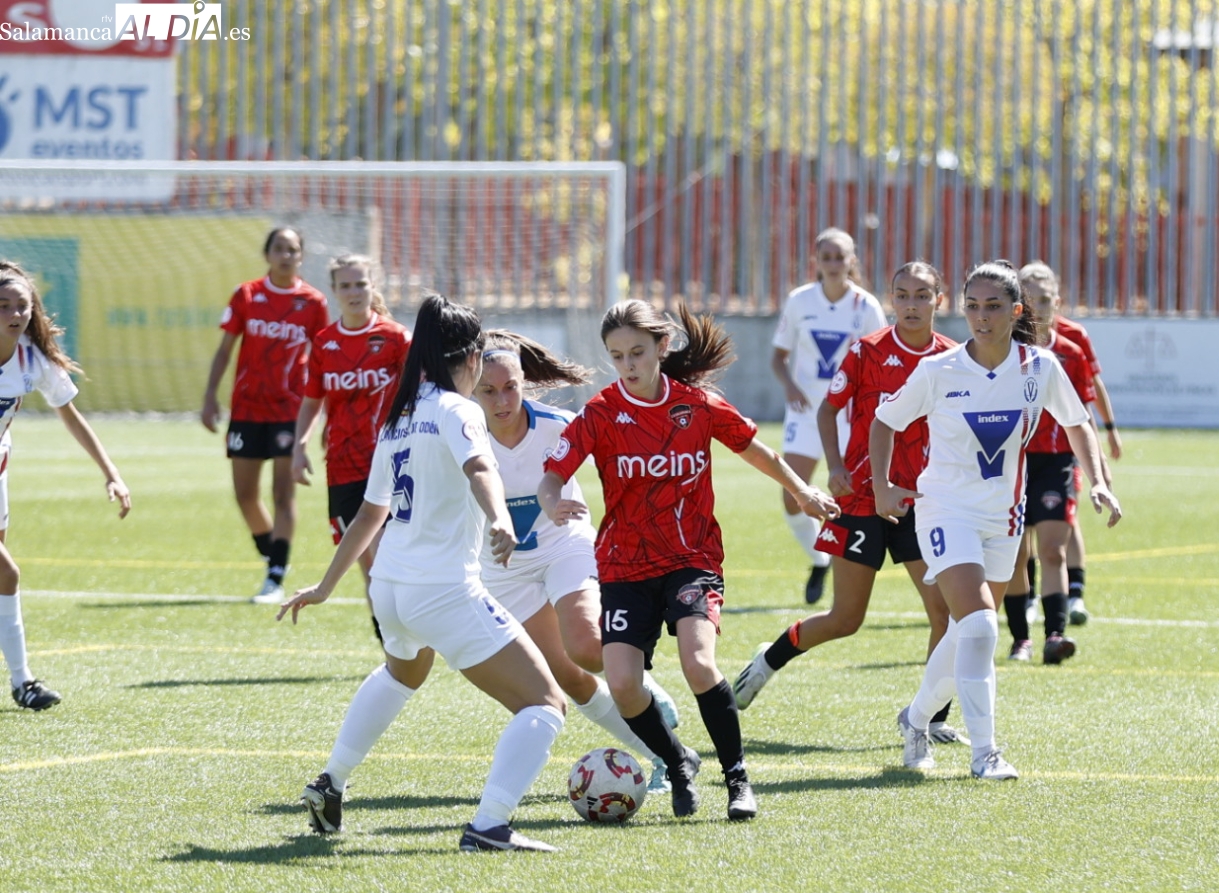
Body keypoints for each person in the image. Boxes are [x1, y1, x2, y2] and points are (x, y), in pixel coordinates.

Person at [280, 295, 568, 854]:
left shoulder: (400, 416)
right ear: (470, 358)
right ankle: (490, 826)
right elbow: (480, 467)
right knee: (544, 704)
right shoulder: (459, 411)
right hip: (442, 590)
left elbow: (370, 514)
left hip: (389, 586)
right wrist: (502, 519)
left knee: (402, 674)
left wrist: (326, 586)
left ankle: (329, 782)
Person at [538, 300, 839, 822]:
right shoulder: (601, 412)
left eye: (637, 351)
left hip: (691, 557)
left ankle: (737, 779)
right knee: (624, 683)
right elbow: (553, 471)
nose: (628, 364)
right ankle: (677, 763)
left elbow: (755, 450)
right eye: (617, 355)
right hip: (624, 565)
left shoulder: (697, 405)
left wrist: (802, 490)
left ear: (661, 347)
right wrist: (551, 501)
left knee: (699, 663)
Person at [870, 261, 1121, 779]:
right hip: (944, 509)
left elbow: (1077, 423)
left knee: (967, 631)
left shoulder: (1039, 367)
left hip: (1005, 517)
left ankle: (915, 719)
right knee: (982, 625)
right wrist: (882, 486)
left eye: (993, 307)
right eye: (973, 306)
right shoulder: (939, 370)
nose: (981, 318)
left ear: (1016, 311)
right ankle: (985, 754)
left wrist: (1098, 479)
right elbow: (884, 421)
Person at [732, 261, 959, 742]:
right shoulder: (866, 352)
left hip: (923, 501)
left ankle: (929, 718)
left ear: (939, 300)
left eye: (923, 295)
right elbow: (830, 408)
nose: (912, 304)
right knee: (844, 620)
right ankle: (766, 662)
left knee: (945, 614)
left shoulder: (953, 358)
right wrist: (835, 467)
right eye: (903, 294)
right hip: (859, 497)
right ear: (891, 299)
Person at [471, 331, 686, 793]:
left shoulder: (558, 424)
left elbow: (621, 455)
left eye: (510, 386)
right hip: (503, 568)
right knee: (568, 676)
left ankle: (644, 684)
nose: (502, 399)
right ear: (471, 390)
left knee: (587, 648)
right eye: (488, 390)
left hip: (564, 545)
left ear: (525, 383)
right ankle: (667, 754)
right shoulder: (464, 437)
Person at [0, 261, 132, 710]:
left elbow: (72, 417)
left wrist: (111, 472)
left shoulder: (30, 359)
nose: (14, 314)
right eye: (3, 306)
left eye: (21, 306)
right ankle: (24, 681)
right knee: (7, 572)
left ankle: (23, 684)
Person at [202, 227, 330, 604]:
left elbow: (324, 360)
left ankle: (274, 576)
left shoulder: (313, 301)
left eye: (292, 249)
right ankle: (275, 554)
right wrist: (210, 397)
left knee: (282, 493)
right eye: (279, 248)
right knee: (244, 495)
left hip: (290, 411)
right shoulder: (248, 295)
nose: (285, 255)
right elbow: (226, 350)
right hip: (246, 408)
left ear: (301, 256)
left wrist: (325, 412)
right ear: (267, 254)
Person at [1002, 261, 1122, 663]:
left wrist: (1099, 471)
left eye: (1045, 298)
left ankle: (1055, 635)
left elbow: (1081, 413)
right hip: (1011, 462)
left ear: (1057, 301)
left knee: (1053, 549)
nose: (1039, 305)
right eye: (1030, 298)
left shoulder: (1069, 352)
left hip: (1056, 461)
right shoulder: (1002, 351)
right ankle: (1021, 638)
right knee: (1017, 554)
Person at [770, 228, 887, 605]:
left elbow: (881, 360)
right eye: (828, 257)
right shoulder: (800, 301)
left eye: (841, 257)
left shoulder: (866, 307)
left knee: (849, 497)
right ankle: (818, 560)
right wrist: (789, 385)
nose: (835, 264)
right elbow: (778, 356)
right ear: (816, 261)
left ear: (853, 261)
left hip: (848, 417)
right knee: (793, 497)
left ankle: (842, 572)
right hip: (807, 414)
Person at [291, 254, 409, 627]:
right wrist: (299, 447)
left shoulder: (396, 338)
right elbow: (312, 401)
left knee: (387, 557)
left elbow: (419, 397)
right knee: (368, 566)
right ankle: (391, 644)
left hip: (391, 465)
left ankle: (402, 641)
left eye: (361, 284)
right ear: (334, 292)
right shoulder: (325, 343)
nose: (354, 292)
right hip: (342, 465)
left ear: (372, 286)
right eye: (346, 285)